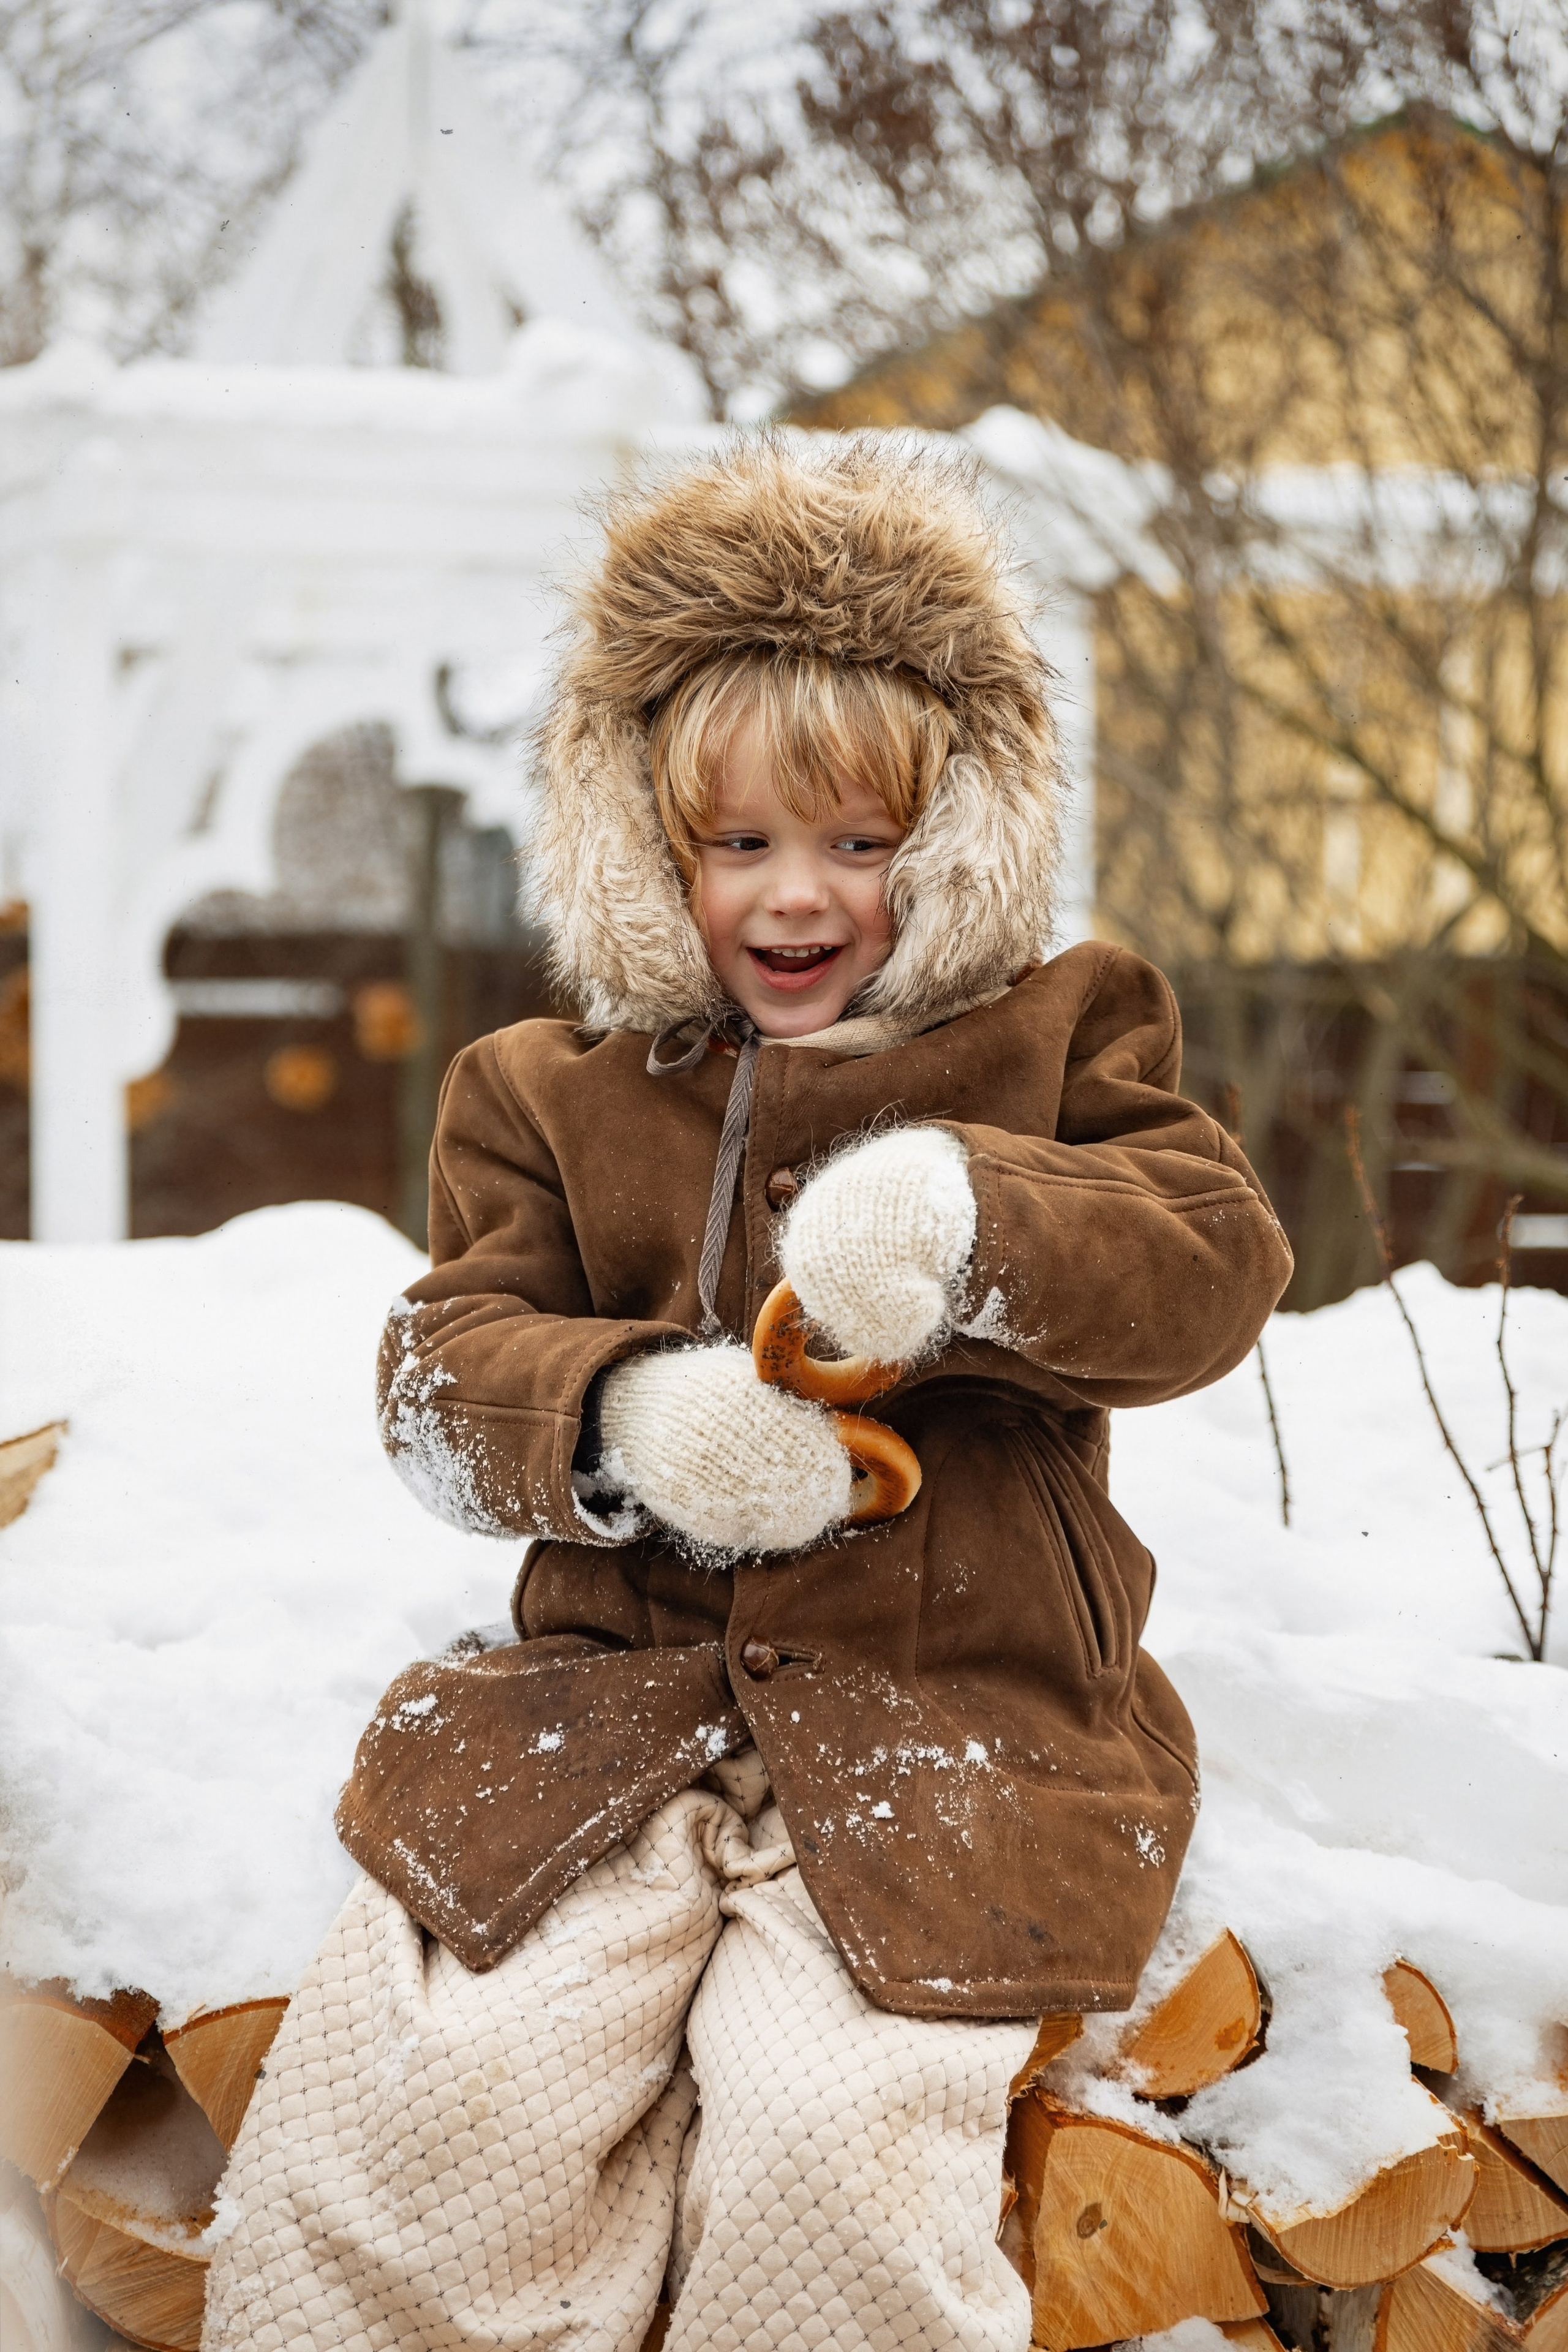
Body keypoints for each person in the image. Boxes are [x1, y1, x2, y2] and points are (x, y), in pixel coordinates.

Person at [204, 436, 1292, 2352]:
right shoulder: (544, 1089)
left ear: (952, 839)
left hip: (952, 1730)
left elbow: (1209, 1264)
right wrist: (628, 1422)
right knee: (431, 2114)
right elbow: (440, 1377)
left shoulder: (1063, 1033)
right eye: (741, 845)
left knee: (831, 2143)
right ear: (648, 844)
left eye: (862, 843)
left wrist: (971, 1224)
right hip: (603, 1719)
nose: (802, 899)